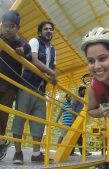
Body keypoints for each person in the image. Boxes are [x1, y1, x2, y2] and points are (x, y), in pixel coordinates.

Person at [11, 21, 57, 165]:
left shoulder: (54, 49)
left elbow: (53, 67)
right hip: (27, 85)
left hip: (41, 90)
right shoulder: (34, 41)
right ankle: (18, 153)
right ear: (40, 32)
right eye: (45, 29)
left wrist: (53, 74)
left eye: (51, 29)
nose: (49, 31)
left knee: (39, 121)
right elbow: (35, 60)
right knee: (20, 117)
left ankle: (36, 153)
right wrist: (51, 73)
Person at [0, 10, 32, 161]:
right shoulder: (0, 38)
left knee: (2, 114)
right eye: (5, 25)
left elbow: (29, 55)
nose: (7, 29)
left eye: (11, 26)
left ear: (17, 28)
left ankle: (0, 142)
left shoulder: (23, 44)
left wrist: (22, 53)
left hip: (9, 86)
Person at [70, 86, 92, 156]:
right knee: (76, 136)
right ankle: (82, 152)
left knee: (78, 136)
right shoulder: (76, 97)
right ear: (80, 91)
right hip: (76, 119)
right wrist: (73, 119)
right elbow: (73, 107)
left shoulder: (81, 99)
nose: (85, 93)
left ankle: (80, 152)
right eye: (84, 91)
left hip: (80, 119)